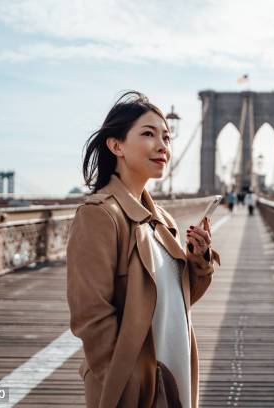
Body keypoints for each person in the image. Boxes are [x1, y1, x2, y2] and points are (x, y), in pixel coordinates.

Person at [66, 91, 221, 408]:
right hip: (137, 389)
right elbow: (90, 315)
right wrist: (130, 379)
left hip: (176, 373)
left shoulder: (162, 219)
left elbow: (179, 299)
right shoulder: (99, 215)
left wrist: (198, 259)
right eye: (148, 134)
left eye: (166, 136)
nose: (163, 145)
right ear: (116, 145)